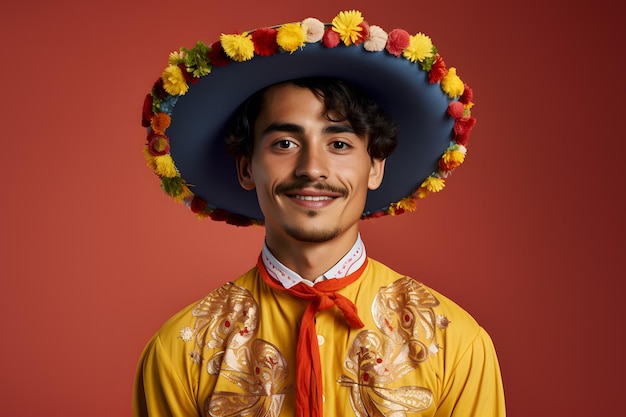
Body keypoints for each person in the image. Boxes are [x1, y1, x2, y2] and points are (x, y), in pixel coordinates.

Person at [134, 10, 505, 417]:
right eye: (285, 144)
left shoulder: (456, 343)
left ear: (375, 166)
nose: (312, 167)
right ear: (246, 166)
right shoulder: (181, 350)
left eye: (340, 144)